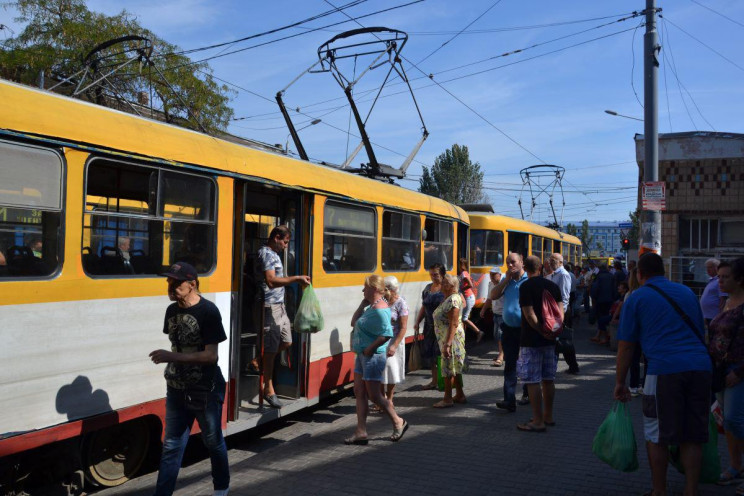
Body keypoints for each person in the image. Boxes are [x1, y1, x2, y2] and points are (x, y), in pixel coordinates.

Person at [615, 253, 712, 496]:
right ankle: (691, 491)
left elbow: (626, 346)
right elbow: (700, 331)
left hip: (664, 371)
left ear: (640, 274)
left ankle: (659, 491)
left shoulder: (636, 298)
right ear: (664, 271)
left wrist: (620, 382)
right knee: (692, 435)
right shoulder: (687, 293)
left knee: (657, 435)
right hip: (700, 368)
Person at [149, 262, 229, 496]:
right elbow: (178, 343)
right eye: (168, 282)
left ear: (192, 284)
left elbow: (210, 355)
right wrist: (173, 359)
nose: (170, 287)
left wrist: (170, 356)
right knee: (171, 445)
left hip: (205, 388)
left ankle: (221, 490)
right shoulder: (172, 311)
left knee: (213, 441)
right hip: (176, 387)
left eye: (176, 283)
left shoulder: (208, 311)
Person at [346, 275, 408, 444]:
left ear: (373, 289)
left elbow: (387, 333)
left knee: (375, 396)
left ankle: (398, 421)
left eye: (365, 288)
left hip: (372, 357)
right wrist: (362, 304)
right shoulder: (372, 307)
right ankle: (361, 431)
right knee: (359, 392)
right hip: (362, 355)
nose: (362, 290)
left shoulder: (381, 309)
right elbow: (354, 322)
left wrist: (370, 348)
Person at [256, 225, 310, 408]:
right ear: (277, 237)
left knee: (287, 341)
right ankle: (268, 390)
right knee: (271, 350)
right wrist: (295, 279)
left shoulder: (274, 254)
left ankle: (257, 361)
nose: (286, 246)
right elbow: (271, 281)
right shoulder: (266, 254)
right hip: (269, 307)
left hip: (280, 305)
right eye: (285, 242)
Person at [708, 258, 744, 489]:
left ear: (740, 279)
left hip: (736, 372)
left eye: (725, 277)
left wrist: (740, 372)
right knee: (728, 422)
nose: (719, 281)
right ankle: (735, 467)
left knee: (734, 419)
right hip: (720, 371)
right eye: (719, 277)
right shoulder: (728, 302)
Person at [515, 256, 562, 432]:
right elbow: (560, 313)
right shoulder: (553, 286)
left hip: (531, 340)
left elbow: (529, 315)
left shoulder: (525, 286)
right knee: (548, 379)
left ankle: (537, 420)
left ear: (525, 268)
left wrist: (540, 330)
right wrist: (552, 332)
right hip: (551, 340)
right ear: (542, 267)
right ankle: (548, 416)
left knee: (532, 381)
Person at [491, 252, 529, 413]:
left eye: (513, 262)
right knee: (510, 365)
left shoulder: (528, 281)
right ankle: (509, 399)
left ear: (521, 262)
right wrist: (506, 280)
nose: (510, 265)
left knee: (526, 363)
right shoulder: (507, 282)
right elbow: (493, 295)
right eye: (508, 263)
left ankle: (527, 394)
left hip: (526, 329)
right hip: (509, 329)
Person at [432, 273, 467, 408]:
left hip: (450, 339)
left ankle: (447, 398)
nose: (442, 283)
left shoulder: (453, 300)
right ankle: (460, 394)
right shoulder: (449, 298)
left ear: (451, 286)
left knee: (447, 367)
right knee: (454, 366)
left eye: (445, 282)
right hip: (448, 337)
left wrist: (447, 344)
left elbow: (453, 323)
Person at [413, 263, 446, 390]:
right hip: (429, 326)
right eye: (431, 274)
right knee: (431, 355)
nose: (433, 277)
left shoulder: (447, 287)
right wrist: (417, 321)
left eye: (436, 274)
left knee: (441, 354)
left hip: (442, 327)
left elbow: (460, 303)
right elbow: (424, 306)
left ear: (442, 274)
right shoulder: (428, 288)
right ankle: (434, 381)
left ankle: (444, 382)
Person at [547, 253, 580, 374]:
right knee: (560, 339)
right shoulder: (554, 274)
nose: (551, 262)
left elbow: (565, 296)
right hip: (555, 311)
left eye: (553, 260)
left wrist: (561, 314)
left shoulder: (564, 275)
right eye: (550, 259)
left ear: (561, 262)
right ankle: (571, 366)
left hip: (561, 312)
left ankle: (572, 365)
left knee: (564, 339)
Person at [379, 276, 408, 409]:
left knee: (391, 371)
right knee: (380, 371)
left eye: (385, 289)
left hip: (393, 342)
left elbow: (403, 327)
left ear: (391, 289)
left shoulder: (401, 303)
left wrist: (394, 345)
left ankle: (389, 398)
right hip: (380, 342)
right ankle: (381, 400)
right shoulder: (381, 301)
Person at [624, 269, 645, 396]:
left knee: (634, 359)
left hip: (635, 331)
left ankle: (633, 385)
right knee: (648, 360)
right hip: (647, 331)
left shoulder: (630, 294)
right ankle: (646, 384)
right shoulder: (648, 292)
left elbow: (627, 316)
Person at [481, 267, 505, 367]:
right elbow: (489, 298)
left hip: (503, 313)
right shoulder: (490, 284)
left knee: (500, 335)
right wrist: (483, 309)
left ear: (499, 275)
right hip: (495, 313)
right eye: (490, 274)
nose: (491, 277)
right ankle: (504, 353)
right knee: (496, 335)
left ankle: (501, 355)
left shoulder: (504, 284)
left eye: (494, 274)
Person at [458, 258, 484, 342]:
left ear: (461, 265)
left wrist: (461, 288)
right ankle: (462, 336)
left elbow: (470, 284)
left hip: (468, 298)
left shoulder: (464, 274)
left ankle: (478, 332)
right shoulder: (464, 273)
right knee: (462, 318)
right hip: (468, 297)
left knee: (464, 318)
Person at [590, 264, 615, 345]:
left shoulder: (599, 276)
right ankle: (599, 335)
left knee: (601, 318)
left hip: (600, 300)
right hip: (610, 300)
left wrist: (593, 297)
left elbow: (594, 288)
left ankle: (604, 337)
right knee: (607, 316)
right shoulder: (611, 276)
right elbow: (615, 287)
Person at [701, 258, 726, 328]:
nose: (708, 270)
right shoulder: (711, 281)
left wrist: (720, 316)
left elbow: (723, 299)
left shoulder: (719, 281)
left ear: (716, 268)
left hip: (715, 316)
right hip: (707, 316)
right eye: (707, 267)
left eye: (710, 267)